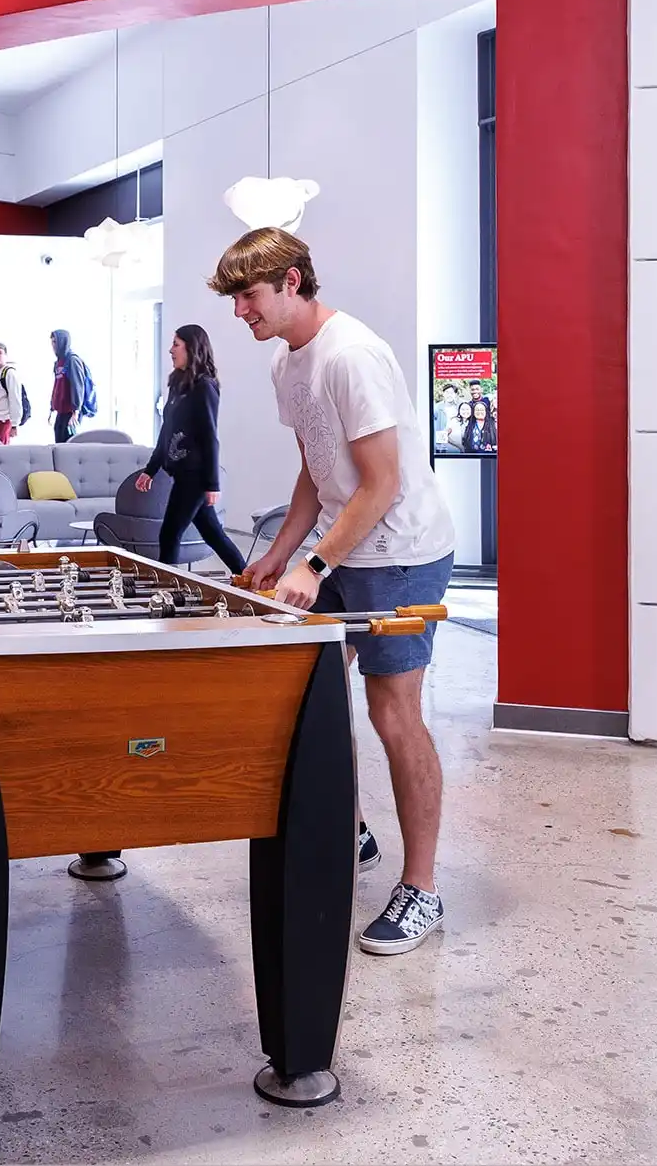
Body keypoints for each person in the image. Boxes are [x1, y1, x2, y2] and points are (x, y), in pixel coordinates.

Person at [219, 226, 457, 957]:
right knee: (309, 691)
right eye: (233, 299)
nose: (240, 313)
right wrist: (278, 555)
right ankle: (350, 831)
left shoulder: (351, 355)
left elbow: (381, 483)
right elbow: (318, 471)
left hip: (400, 554)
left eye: (248, 296)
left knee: (392, 712)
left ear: (291, 281)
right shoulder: (287, 365)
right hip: (339, 548)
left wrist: (312, 568)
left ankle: (422, 889)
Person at [133, 324, 246, 573]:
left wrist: (212, 484)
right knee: (213, 533)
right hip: (180, 473)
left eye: (176, 344)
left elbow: (209, 437)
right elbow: (167, 431)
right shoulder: (178, 383)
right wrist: (150, 470)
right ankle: (247, 578)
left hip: (194, 477)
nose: (171, 350)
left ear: (191, 347)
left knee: (169, 534)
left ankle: (165, 591)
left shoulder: (204, 386)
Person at [49, 328, 93, 443]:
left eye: (55, 342)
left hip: (70, 412)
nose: (53, 346)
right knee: (58, 443)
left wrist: (76, 410)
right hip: (60, 411)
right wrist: (52, 407)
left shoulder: (72, 360)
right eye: (52, 342)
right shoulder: (58, 362)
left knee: (68, 446)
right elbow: (57, 386)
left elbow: (78, 386)